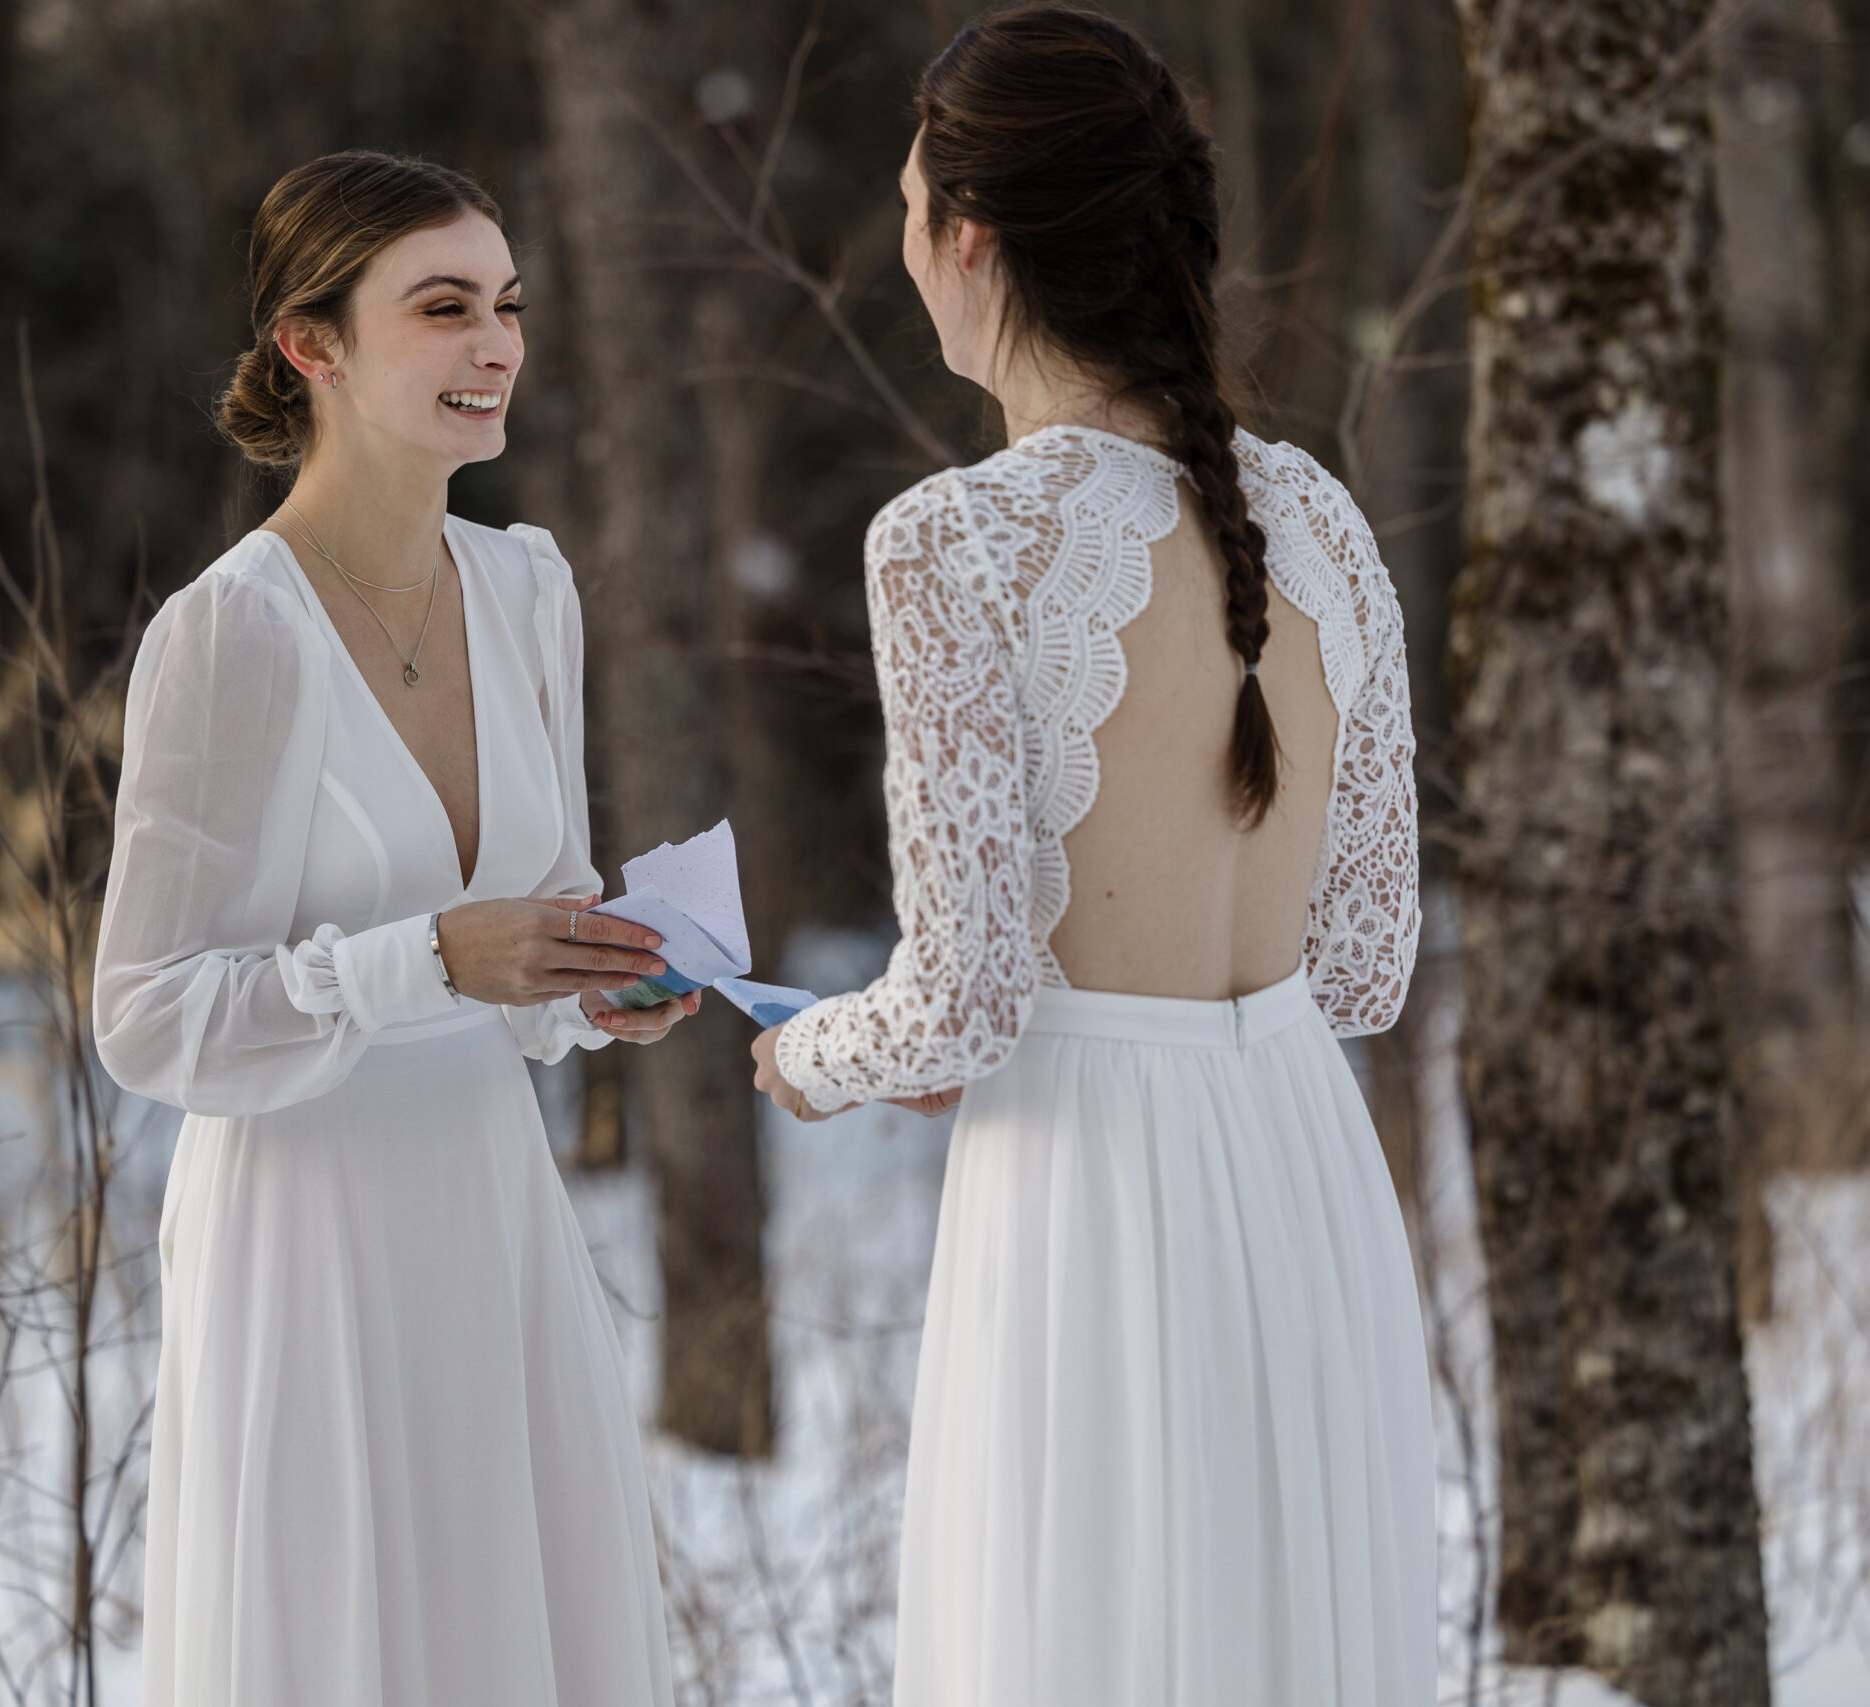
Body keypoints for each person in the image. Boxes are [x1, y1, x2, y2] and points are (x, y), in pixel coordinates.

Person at [751, 9, 1435, 1703]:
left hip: (1092, 1195)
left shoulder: (955, 541)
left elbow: (968, 1002)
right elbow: (1362, 967)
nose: (906, 253)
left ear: (968, 238)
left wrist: (804, 1053)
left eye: (910, 213)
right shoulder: (1322, 518)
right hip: (1301, 1171)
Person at [93, 151, 684, 1707]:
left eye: (506, 306)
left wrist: (589, 988)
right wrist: (425, 959)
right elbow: (147, 1016)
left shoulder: (527, 587)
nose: (495, 345)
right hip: (309, 1232)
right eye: (442, 308)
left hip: (492, 1209)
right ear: (315, 345)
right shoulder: (233, 632)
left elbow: (522, 945)